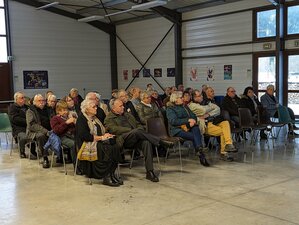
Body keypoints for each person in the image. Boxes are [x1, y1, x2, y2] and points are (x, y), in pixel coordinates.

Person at [105, 99, 173, 182]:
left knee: (146, 142)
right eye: (120, 106)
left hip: (135, 137)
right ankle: (160, 142)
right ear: (113, 108)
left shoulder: (127, 115)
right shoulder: (109, 118)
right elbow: (113, 129)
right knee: (136, 131)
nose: (123, 107)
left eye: (123, 105)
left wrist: (138, 130)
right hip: (122, 140)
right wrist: (131, 130)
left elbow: (138, 124)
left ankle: (150, 171)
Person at [76, 99, 122, 187]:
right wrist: (101, 137)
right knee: (107, 148)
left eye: (96, 106)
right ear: (86, 109)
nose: (96, 108)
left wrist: (106, 135)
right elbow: (85, 136)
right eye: (93, 107)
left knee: (115, 146)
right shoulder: (81, 119)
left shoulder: (95, 118)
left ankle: (112, 173)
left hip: (97, 140)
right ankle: (106, 176)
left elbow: (101, 130)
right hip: (87, 143)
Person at [189, 90, 237, 161]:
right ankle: (224, 153)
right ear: (194, 98)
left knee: (226, 123)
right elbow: (203, 110)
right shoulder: (192, 105)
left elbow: (218, 109)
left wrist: (208, 114)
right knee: (224, 131)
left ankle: (229, 144)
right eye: (199, 96)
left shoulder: (204, 102)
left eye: (201, 95)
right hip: (205, 125)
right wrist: (210, 108)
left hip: (212, 122)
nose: (202, 96)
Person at [166, 91, 210, 167]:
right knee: (196, 136)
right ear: (175, 99)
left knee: (196, 127)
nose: (183, 99)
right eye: (181, 97)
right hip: (177, 130)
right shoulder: (170, 109)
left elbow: (193, 116)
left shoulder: (185, 106)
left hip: (188, 127)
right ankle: (202, 156)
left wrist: (193, 121)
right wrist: (188, 120)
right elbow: (173, 121)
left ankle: (199, 150)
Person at [26, 94, 52, 168]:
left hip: (49, 130)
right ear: (34, 102)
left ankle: (62, 156)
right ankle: (45, 158)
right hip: (35, 132)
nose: (42, 102)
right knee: (41, 136)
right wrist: (46, 131)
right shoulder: (30, 111)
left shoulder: (48, 109)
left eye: (43, 100)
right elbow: (32, 125)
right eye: (39, 101)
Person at [8, 92, 36, 159]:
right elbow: (15, 119)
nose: (24, 99)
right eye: (22, 98)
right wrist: (27, 121)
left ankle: (33, 150)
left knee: (35, 135)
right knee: (24, 137)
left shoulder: (27, 107)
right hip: (18, 128)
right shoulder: (12, 107)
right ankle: (22, 152)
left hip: (28, 127)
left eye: (24, 97)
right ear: (16, 99)